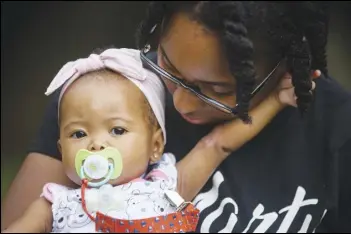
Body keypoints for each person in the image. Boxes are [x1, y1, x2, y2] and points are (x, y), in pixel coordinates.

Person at [2, 1, 350, 233]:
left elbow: (217, 145)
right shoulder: (100, 100)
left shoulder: (337, 134)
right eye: (168, 65)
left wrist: (274, 102)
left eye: (216, 89)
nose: (180, 104)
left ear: (282, 66)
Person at [2, 48, 300, 233]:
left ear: (155, 145)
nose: (95, 145)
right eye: (78, 134)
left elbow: (218, 144)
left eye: (117, 130)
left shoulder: (166, 186)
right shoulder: (55, 204)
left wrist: (275, 99)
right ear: (60, 149)